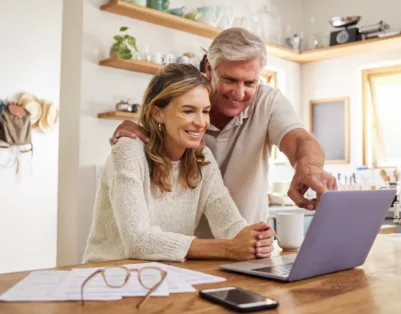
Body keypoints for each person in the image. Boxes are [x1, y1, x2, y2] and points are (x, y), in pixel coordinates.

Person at [109, 28, 337, 239]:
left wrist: (309, 167)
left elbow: (299, 140)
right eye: (230, 80)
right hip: (182, 250)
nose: (239, 93)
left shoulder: (268, 102)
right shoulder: (183, 101)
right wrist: (143, 134)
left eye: (250, 82)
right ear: (209, 68)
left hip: (240, 243)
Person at [83, 63, 274, 263]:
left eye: (205, 111)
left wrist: (256, 239)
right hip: (108, 277)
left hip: (166, 276)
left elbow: (230, 226)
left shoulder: (202, 158)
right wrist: (229, 248)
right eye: (188, 111)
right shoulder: (128, 151)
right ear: (158, 113)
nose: (201, 123)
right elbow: (138, 241)